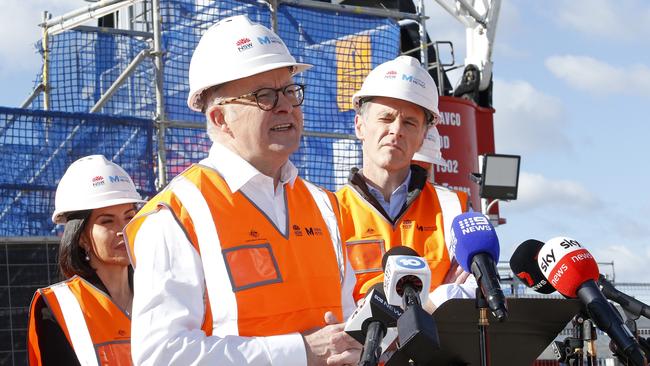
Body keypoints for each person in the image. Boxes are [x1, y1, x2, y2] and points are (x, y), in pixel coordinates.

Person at [123, 15, 360, 366]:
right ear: (220, 119)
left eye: (290, 91)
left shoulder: (323, 205)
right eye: (264, 96)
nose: (286, 106)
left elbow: (344, 327)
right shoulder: (177, 214)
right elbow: (162, 355)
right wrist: (301, 352)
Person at [336, 56, 471, 302]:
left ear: (422, 137)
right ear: (359, 126)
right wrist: (436, 302)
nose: (396, 130)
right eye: (386, 118)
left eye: (409, 122)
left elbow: (472, 290)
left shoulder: (453, 209)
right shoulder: (328, 213)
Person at [27, 155, 145, 365]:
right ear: (80, 237)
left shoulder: (162, 290)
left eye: (129, 216)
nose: (123, 230)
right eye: (107, 221)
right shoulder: (58, 307)